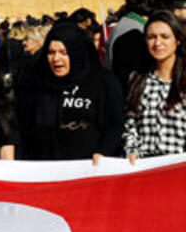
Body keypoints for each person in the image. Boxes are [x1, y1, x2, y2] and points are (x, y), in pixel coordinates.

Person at [15, 22, 123, 161]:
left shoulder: (103, 82)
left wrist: (103, 152)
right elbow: (22, 127)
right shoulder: (36, 83)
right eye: (51, 52)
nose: (56, 59)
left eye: (63, 52)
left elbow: (115, 125)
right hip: (44, 165)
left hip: (89, 166)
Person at [123, 12, 186, 160]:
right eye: (151, 37)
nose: (157, 43)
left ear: (177, 40)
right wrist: (131, 150)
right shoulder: (137, 79)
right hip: (145, 165)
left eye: (165, 37)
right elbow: (130, 123)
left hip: (178, 164)